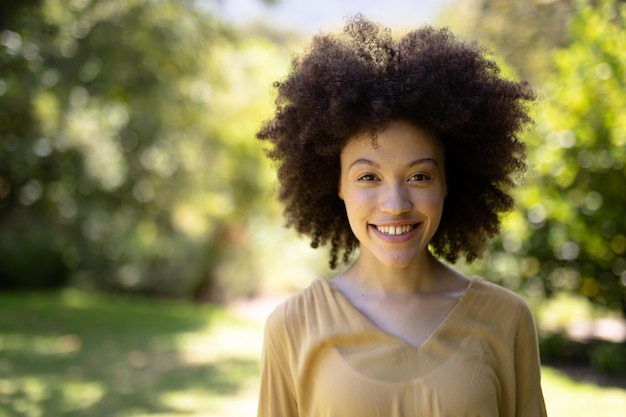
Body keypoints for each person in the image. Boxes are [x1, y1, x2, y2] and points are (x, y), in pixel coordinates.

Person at [256, 15, 547, 417]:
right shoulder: (292, 326)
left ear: (449, 181)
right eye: (368, 176)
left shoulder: (506, 319)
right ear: (335, 184)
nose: (395, 203)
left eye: (419, 175)